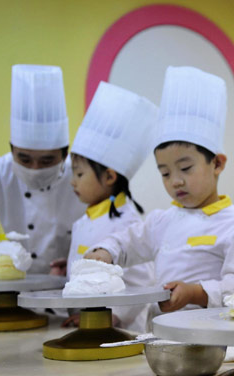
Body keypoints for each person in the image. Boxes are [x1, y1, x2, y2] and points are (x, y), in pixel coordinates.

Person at [85, 66, 234, 324]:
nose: (176, 181)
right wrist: (106, 251)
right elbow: (128, 241)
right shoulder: (162, 221)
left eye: (186, 168)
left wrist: (195, 293)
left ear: (217, 164)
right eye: (165, 173)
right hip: (163, 337)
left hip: (216, 342)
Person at [0, 64, 84, 274]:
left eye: (46, 161)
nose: (35, 169)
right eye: (24, 159)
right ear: (11, 150)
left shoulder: (84, 177)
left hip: (74, 290)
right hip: (19, 291)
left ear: (65, 155)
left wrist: (80, 260)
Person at [63, 81, 157, 332]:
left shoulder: (129, 223)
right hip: (86, 324)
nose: (73, 182)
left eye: (80, 174)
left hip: (121, 328)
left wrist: (115, 316)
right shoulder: (84, 220)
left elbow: (142, 281)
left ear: (109, 177)